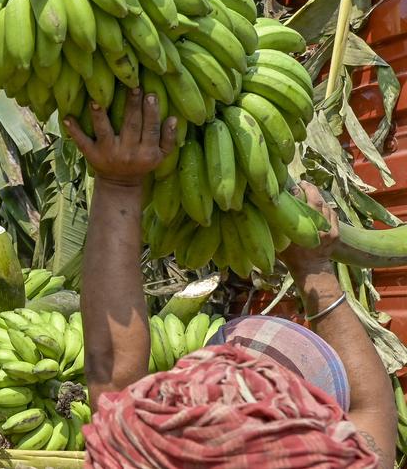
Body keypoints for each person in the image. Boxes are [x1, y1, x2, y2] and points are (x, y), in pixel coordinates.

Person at [65, 89, 394, 467]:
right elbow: (373, 410)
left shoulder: (150, 455)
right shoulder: (330, 461)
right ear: (325, 420)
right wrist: (317, 273)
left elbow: (113, 372)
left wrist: (118, 184)